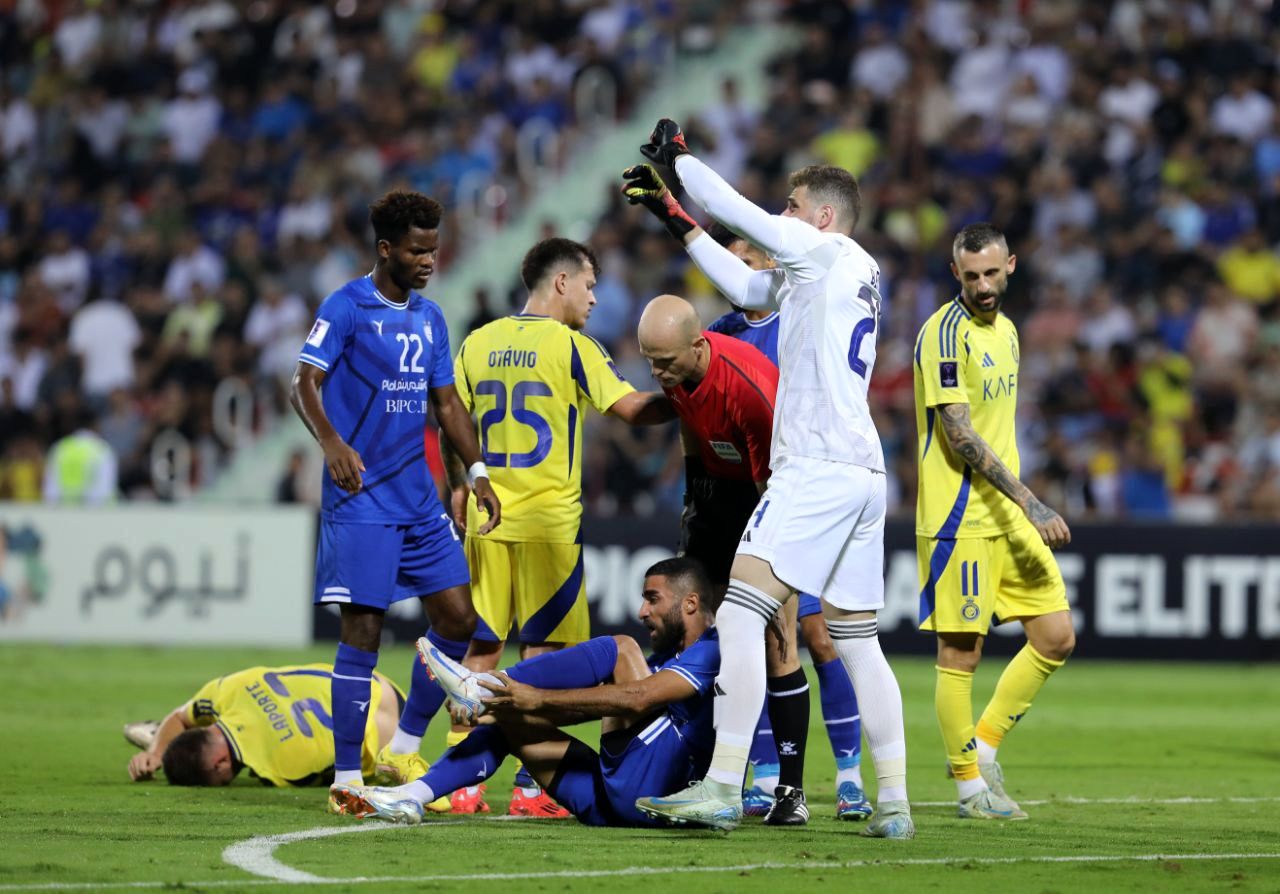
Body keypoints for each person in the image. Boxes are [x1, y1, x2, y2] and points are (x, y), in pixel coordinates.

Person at [621, 120, 912, 836]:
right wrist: (679, 221)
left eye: (792, 204)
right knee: (857, 637)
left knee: (741, 611)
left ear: (820, 216)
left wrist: (682, 163)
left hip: (813, 463)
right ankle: (897, 802)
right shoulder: (857, 271)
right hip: (864, 472)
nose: (782, 214)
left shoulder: (819, 248)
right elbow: (748, 281)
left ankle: (723, 784)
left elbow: (741, 213)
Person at [440, 237, 675, 816]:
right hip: (548, 524)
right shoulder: (571, 346)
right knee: (544, 656)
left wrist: (459, 485)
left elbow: (452, 419)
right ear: (562, 282)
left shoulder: (477, 342)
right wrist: (691, 390)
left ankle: (461, 784)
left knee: (481, 650)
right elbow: (631, 410)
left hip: (485, 519)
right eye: (590, 285)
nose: (595, 298)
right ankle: (529, 787)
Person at [289, 190, 501, 812]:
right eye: (417, 250)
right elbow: (304, 380)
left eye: (434, 249)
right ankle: (347, 778)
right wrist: (330, 441)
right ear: (386, 249)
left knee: (459, 621)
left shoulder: (430, 318)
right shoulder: (346, 306)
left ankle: (404, 745)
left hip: (420, 500)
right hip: (361, 500)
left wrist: (477, 472)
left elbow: (448, 406)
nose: (429, 260)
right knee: (365, 630)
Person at [683, 221, 873, 822]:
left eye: (740, 260)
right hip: (739, 500)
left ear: (771, 264)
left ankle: (848, 775)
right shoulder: (715, 335)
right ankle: (764, 775)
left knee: (818, 637)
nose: (730, 275)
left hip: (800, 493)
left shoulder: (803, 321)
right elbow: (695, 418)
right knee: (754, 637)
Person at [635, 291, 842, 825]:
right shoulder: (679, 372)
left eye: (665, 362)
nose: (658, 374)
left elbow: (768, 486)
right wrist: (692, 494)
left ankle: (791, 794)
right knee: (700, 636)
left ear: (698, 344)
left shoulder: (749, 393)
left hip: (772, 498)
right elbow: (687, 417)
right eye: (650, 362)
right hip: (716, 496)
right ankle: (706, 777)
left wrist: (767, 557)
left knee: (779, 640)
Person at [327, 557, 720, 828]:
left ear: (690, 603)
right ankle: (412, 794)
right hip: (610, 800)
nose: (642, 611)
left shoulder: (712, 650)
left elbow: (638, 698)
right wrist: (510, 706)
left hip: (656, 796)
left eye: (652, 599)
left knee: (619, 648)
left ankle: (480, 686)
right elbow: (598, 709)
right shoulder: (666, 656)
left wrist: (536, 697)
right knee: (509, 722)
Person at [913, 223, 1075, 820]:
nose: (983, 286)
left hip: (1008, 516)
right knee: (961, 653)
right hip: (960, 517)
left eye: (992, 273)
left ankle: (983, 748)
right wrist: (1032, 501)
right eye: (971, 275)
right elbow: (959, 434)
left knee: (1056, 636)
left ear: (1011, 265)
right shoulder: (943, 334)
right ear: (956, 273)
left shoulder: (1006, 331)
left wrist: (1022, 507)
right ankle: (967, 788)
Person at [124, 664, 443, 802]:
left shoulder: (278, 770)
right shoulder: (227, 689)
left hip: (390, 732)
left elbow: (347, 768)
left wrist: (157, 750)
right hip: (370, 681)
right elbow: (181, 717)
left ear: (221, 765)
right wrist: (156, 752)